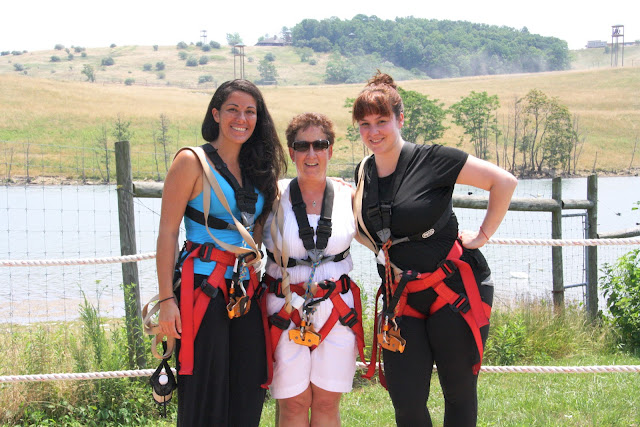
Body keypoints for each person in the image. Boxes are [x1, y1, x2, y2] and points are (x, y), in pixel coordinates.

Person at [352, 72, 517, 426]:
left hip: (453, 291)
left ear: (400, 119)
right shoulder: (363, 172)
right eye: (365, 124)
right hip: (401, 298)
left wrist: (483, 235)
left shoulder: (434, 159)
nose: (373, 132)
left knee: (458, 394)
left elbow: (503, 181)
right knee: (407, 403)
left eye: (381, 121)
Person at [155, 79, 287, 426]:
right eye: (232, 110)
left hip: (245, 292)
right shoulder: (191, 162)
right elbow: (167, 233)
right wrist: (166, 300)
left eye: (250, 112)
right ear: (215, 114)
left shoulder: (258, 170)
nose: (241, 119)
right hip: (202, 288)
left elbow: (257, 230)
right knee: (204, 391)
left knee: (248, 388)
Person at [261, 112, 366, 426]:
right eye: (302, 145)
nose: (311, 153)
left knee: (326, 402)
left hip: (337, 310)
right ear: (291, 152)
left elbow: (383, 239)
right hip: (285, 308)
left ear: (330, 150)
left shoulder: (349, 197)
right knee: (293, 404)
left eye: (319, 145)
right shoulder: (272, 197)